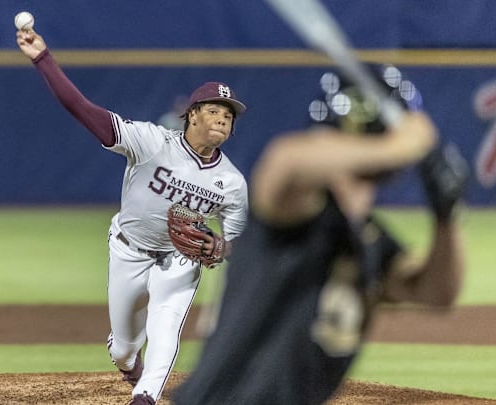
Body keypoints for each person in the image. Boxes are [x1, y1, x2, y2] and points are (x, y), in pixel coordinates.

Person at [172, 66, 468, 404]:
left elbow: (437, 292)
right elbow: (286, 161)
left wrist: (448, 217)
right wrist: (400, 145)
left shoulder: (368, 239)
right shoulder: (290, 215)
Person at [16, 28, 249, 405]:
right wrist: (43, 59)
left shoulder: (232, 183)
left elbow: (243, 244)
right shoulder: (151, 142)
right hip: (129, 252)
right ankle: (128, 363)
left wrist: (222, 248)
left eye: (228, 114)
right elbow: (84, 110)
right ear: (191, 115)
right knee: (124, 349)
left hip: (179, 261)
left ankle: (145, 397)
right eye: (213, 110)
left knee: (166, 329)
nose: (222, 118)